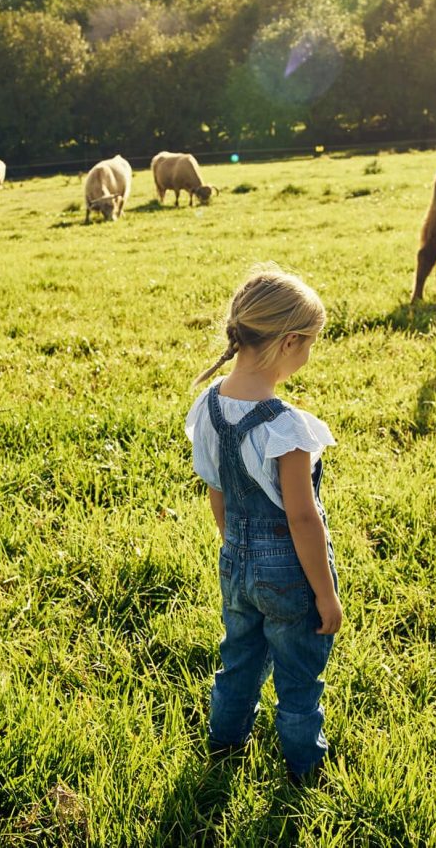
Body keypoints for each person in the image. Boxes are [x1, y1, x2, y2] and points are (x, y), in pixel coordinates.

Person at [185, 266, 343, 784]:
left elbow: (217, 493)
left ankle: (224, 746)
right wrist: (325, 595)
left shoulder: (208, 407)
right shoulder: (286, 428)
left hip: (234, 560)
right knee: (298, 678)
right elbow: (303, 517)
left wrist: (236, 550)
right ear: (289, 342)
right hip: (289, 573)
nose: (308, 355)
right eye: (309, 345)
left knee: (239, 661)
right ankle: (305, 771)